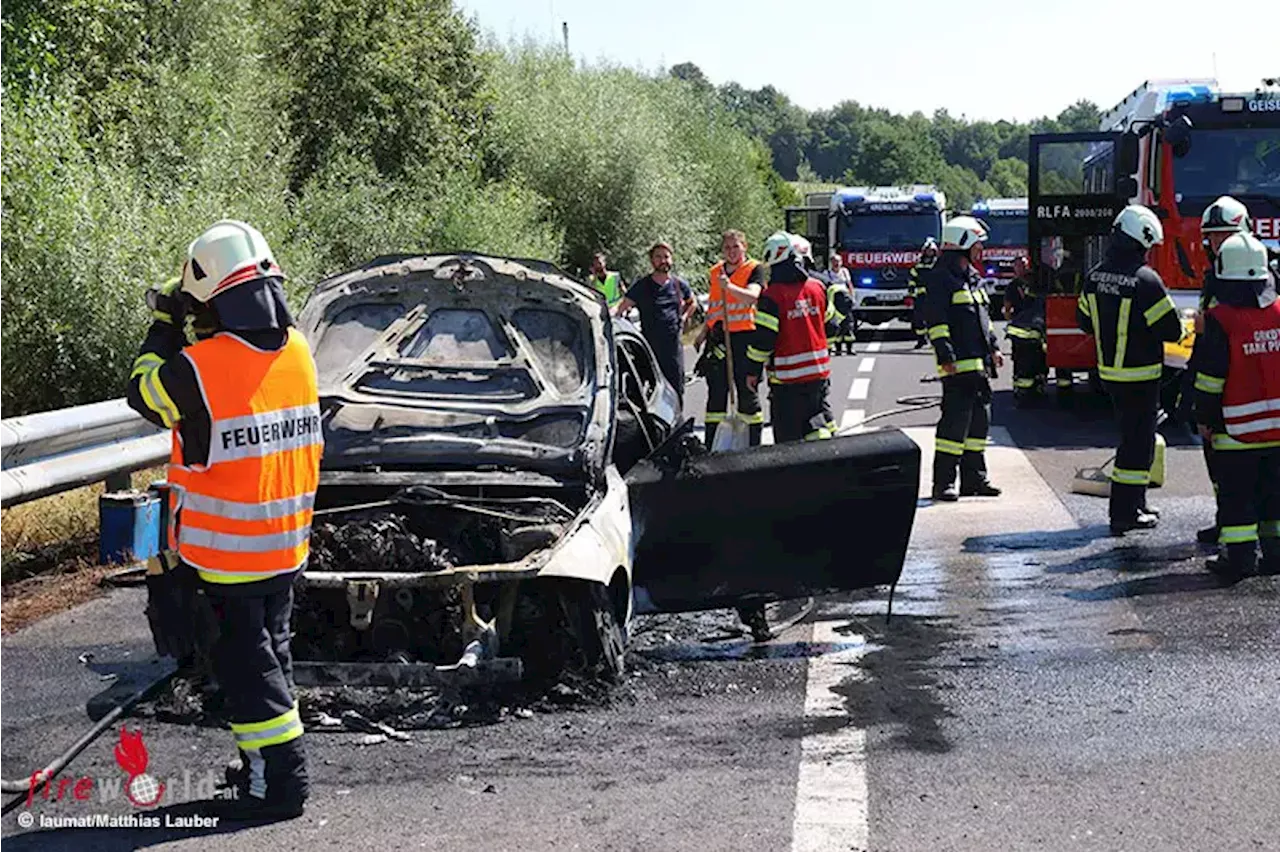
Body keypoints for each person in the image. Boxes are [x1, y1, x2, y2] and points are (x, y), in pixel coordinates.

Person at [125, 220, 320, 819]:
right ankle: (258, 764)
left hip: (227, 557)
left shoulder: (197, 367)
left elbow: (143, 392)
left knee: (247, 669)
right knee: (271, 657)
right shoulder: (299, 351)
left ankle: (282, 783)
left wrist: (164, 324)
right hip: (284, 546)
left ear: (208, 301)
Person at [1075, 205, 1184, 535]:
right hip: (1141, 375)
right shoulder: (1146, 281)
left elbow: (1083, 322)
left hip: (1109, 374)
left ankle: (1135, 503)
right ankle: (1124, 513)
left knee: (1132, 439)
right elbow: (1172, 331)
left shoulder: (1094, 276)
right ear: (1142, 240)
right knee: (1137, 445)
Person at [1191, 232, 1280, 582]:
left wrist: (1205, 419)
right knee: (1275, 496)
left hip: (1235, 432)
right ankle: (1275, 553)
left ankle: (1240, 558)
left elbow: (1210, 379)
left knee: (1237, 499)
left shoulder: (1218, 320)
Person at [1185, 195, 1254, 545]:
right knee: (1216, 459)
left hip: (1247, 379)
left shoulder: (1263, 274)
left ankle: (1241, 529)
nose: (1216, 244)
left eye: (1222, 236)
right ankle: (1225, 517)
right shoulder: (1213, 278)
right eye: (1212, 237)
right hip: (1217, 372)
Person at [922, 217, 1003, 501]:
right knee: (954, 426)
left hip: (979, 365)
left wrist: (994, 347)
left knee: (980, 423)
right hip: (957, 366)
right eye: (978, 243)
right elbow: (936, 322)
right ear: (963, 244)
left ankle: (974, 479)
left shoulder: (972, 278)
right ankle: (943, 482)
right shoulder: (940, 278)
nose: (981, 249)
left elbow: (984, 319)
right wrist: (946, 355)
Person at [747, 231, 836, 442]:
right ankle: (825, 464)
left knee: (789, 441)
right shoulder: (818, 288)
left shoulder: (772, 296)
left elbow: (763, 342)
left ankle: (797, 475)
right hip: (818, 376)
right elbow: (831, 325)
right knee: (817, 426)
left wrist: (752, 372)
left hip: (787, 382)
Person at [694, 230, 766, 445]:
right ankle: (712, 443)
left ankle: (752, 444)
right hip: (720, 338)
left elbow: (752, 297)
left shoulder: (755, 269)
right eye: (727, 247)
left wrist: (731, 287)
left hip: (746, 338)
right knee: (716, 391)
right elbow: (715, 307)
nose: (731, 252)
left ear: (745, 246)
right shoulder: (716, 272)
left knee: (747, 391)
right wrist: (703, 332)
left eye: (736, 247)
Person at [614, 242, 696, 408]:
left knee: (676, 387)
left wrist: (684, 316)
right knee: (651, 389)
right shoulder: (642, 286)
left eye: (666, 256)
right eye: (658, 257)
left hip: (673, 347)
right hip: (650, 348)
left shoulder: (679, 285)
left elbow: (692, 302)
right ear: (652, 261)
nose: (663, 260)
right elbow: (622, 307)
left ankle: (677, 425)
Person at [1003, 256, 1048, 405]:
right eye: (1018, 265)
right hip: (1020, 330)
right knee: (1020, 360)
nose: (1021, 268)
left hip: (1034, 329)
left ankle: (1036, 387)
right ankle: (1021, 390)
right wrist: (1010, 321)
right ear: (1014, 268)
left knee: (1037, 358)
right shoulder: (1013, 286)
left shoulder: (1035, 283)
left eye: (1023, 265)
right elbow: (1007, 308)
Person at [908, 238, 939, 349]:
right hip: (920, 295)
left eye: (931, 251)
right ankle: (921, 339)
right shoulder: (918, 264)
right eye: (927, 250)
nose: (929, 253)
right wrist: (911, 290)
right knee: (918, 318)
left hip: (934, 295)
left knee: (934, 319)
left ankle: (934, 341)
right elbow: (913, 277)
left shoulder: (938, 264)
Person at [828, 253, 857, 354]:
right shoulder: (826, 273)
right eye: (834, 262)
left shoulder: (845, 272)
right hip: (834, 304)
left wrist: (853, 298)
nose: (836, 264)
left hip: (846, 302)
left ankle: (849, 349)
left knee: (848, 325)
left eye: (838, 261)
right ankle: (838, 349)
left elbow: (850, 285)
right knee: (836, 326)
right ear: (831, 263)